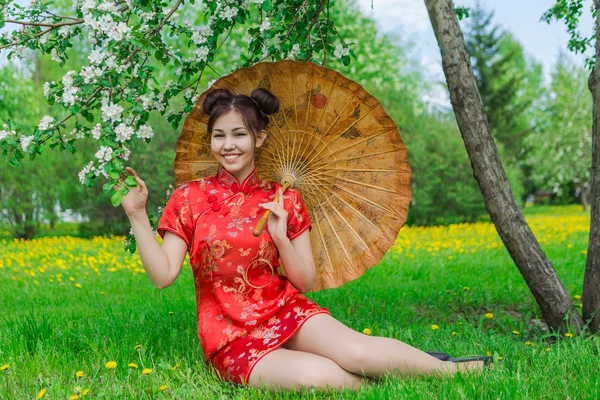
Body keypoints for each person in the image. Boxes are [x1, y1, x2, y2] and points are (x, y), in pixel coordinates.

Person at [121, 87, 492, 391]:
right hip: (230, 339)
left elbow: (305, 281)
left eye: (239, 134)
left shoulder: (285, 200)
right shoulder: (190, 198)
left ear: (259, 138)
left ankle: (450, 372)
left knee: (357, 353)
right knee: (325, 378)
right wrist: (137, 215)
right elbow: (163, 275)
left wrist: (281, 237)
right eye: (219, 135)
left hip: (286, 312)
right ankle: (402, 373)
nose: (228, 145)